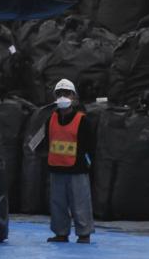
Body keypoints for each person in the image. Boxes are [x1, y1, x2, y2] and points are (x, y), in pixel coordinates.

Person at [45, 79, 96, 244]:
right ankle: (61, 233)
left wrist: (86, 164)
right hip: (56, 168)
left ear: (74, 97)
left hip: (77, 170)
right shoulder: (50, 119)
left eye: (66, 93)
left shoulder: (83, 121)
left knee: (80, 203)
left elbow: (91, 146)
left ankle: (84, 234)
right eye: (59, 94)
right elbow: (46, 141)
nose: (62, 97)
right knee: (57, 204)